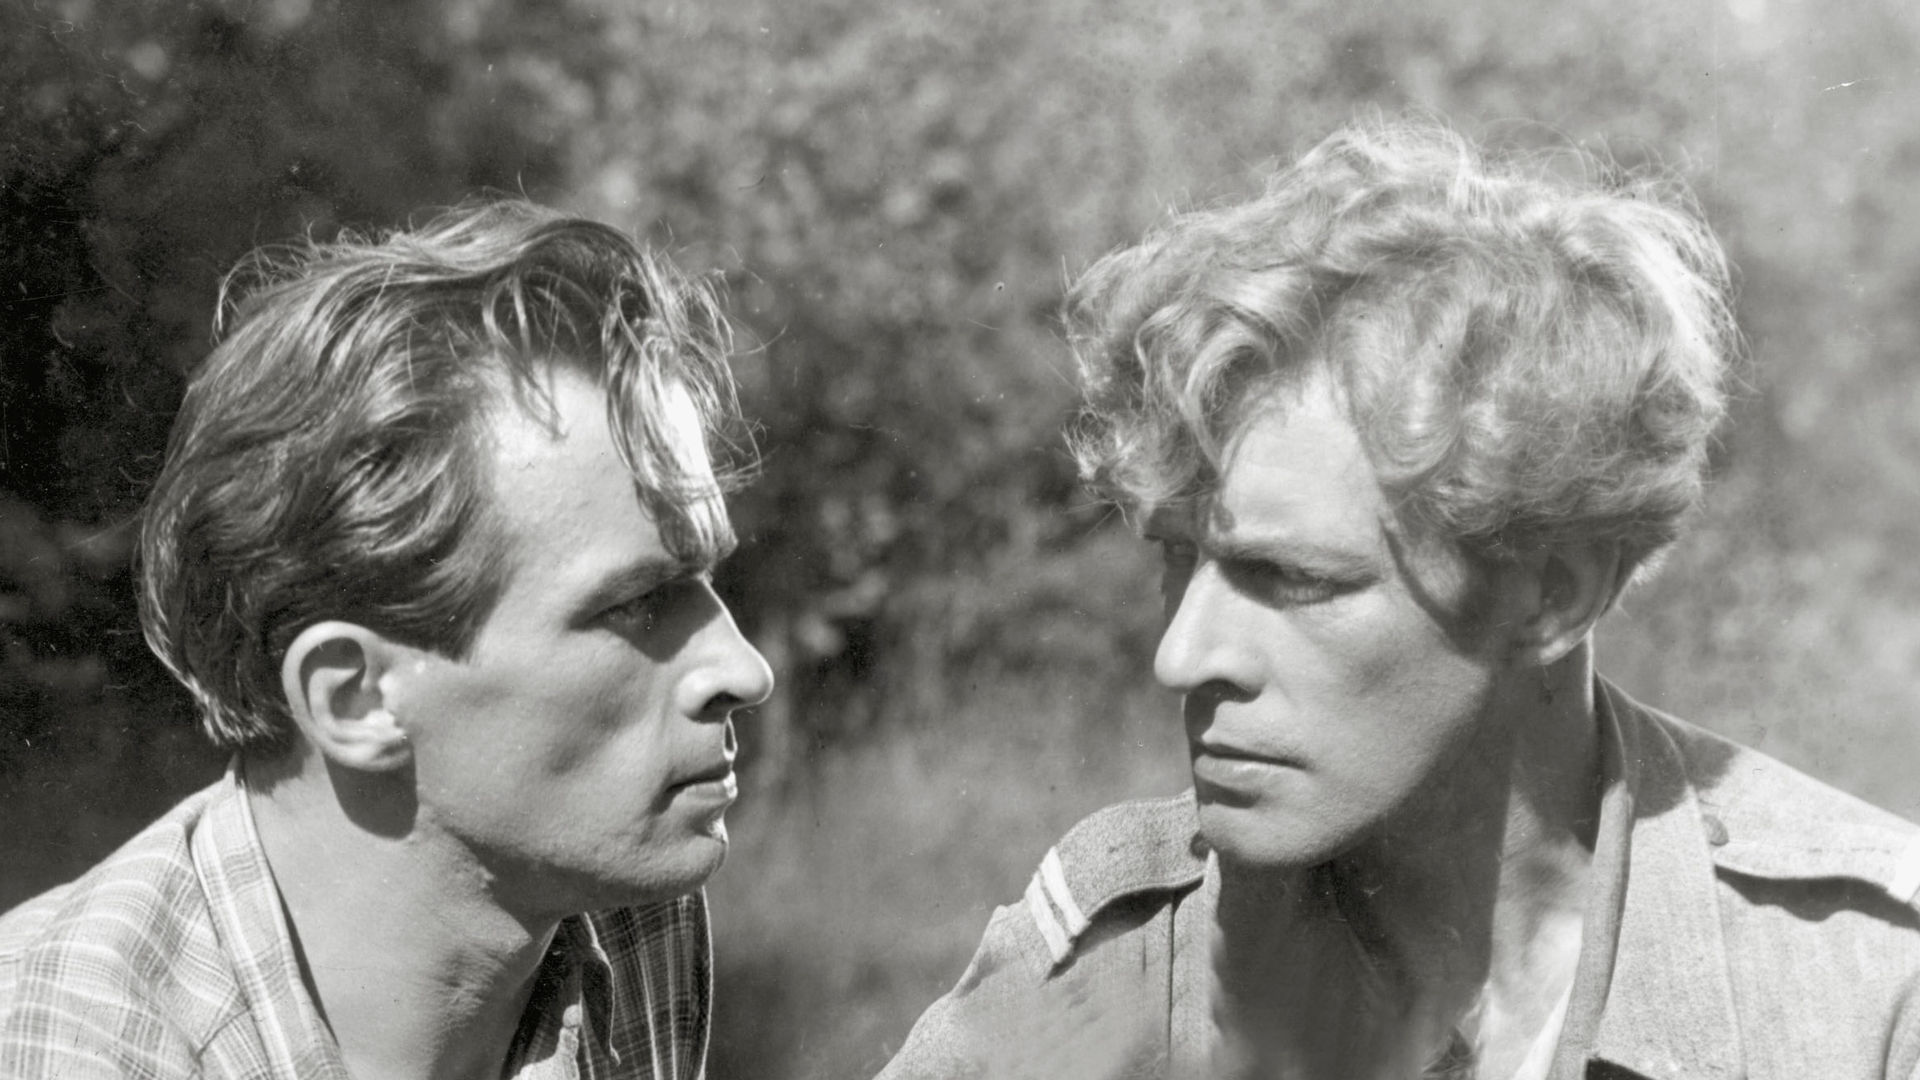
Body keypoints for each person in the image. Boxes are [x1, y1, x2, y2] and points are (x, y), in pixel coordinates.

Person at [879, 116, 1920, 1079]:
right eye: (1178, 558)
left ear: (1553, 597)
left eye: (1295, 579)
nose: (1183, 655)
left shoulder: (1866, 990)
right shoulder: (1119, 953)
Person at [0, 201, 775, 1079]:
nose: (743, 670)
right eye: (634, 605)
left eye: (704, 580)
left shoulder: (620, 902)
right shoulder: (72, 1053)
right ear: (354, 698)